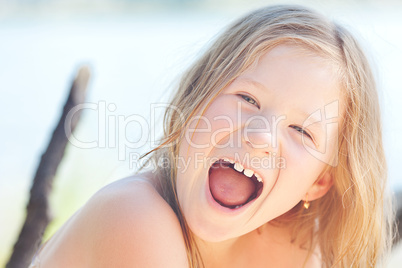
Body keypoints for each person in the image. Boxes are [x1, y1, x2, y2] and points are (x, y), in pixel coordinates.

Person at [30, 4, 393, 267]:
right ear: (193, 102)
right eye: (247, 99)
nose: (260, 136)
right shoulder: (134, 217)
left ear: (319, 183)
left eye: (301, 130)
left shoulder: (293, 250)